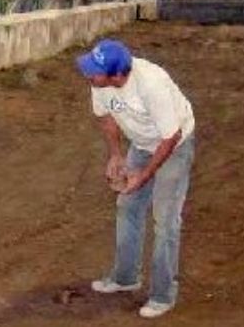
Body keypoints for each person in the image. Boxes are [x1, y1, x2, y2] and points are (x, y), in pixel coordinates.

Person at [77, 39, 196, 319]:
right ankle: (125, 277)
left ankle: (163, 295)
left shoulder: (151, 85)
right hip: (142, 144)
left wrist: (143, 176)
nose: (88, 75)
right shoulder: (99, 84)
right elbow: (105, 117)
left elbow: (172, 136)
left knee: (165, 220)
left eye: (95, 71)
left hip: (175, 145)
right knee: (127, 205)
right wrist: (116, 156)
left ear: (117, 75)